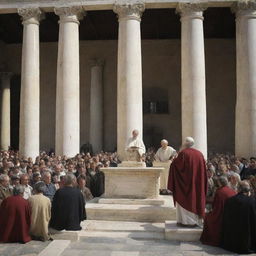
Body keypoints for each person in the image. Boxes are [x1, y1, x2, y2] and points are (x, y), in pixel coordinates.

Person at [168, 137, 207, 227]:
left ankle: (185, 222)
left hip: (183, 186)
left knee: (183, 201)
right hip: (196, 183)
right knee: (195, 199)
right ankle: (194, 221)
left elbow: (175, 165)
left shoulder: (183, 153)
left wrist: (173, 160)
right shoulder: (199, 154)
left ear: (185, 144)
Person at [221, 181, 256, 254]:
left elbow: (225, 219)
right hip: (246, 240)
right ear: (248, 190)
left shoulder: (230, 200)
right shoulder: (252, 201)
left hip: (230, 242)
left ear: (238, 189)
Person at [200, 176, 236, 246]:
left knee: (207, 218)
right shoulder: (232, 190)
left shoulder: (220, 191)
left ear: (220, 183)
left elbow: (215, 207)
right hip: (231, 215)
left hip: (221, 215)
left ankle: (210, 238)